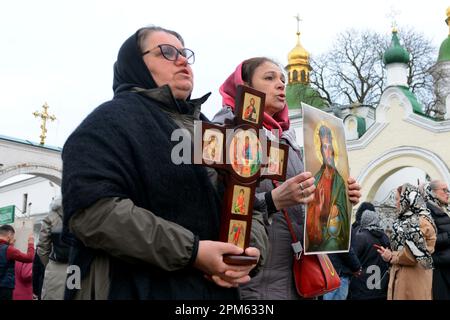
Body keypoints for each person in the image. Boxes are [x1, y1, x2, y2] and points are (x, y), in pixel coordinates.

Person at [61, 26, 266, 300]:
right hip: (133, 289)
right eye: (167, 52)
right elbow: (93, 213)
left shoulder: (212, 133)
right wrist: (193, 252)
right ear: (135, 65)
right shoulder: (108, 123)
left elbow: (247, 198)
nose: (182, 60)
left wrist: (246, 251)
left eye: (184, 53)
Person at [213, 57, 361, 300]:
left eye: (282, 79)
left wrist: (338, 199)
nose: (281, 84)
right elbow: (216, 203)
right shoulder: (229, 131)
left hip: (298, 277)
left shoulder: (287, 140)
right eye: (269, 78)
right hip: (253, 280)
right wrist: (271, 201)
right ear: (245, 85)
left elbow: (303, 206)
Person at [377, 183, 436, 300]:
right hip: (406, 278)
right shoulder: (407, 221)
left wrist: (391, 256)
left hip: (413, 281)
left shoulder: (420, 222)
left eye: (398, 199)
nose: (396, 203)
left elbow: (413, 255)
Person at [306, 125, 350, 252]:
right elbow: (308, 211)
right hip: (317, 234)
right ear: (320, 150)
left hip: (333, 235)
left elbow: (344, 216)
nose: (328, 152)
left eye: (330, 147)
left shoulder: (339, 181)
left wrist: (337, 210)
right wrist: (317, 209)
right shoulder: (315, 179)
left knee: (332, 245)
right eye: (324, 147)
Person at [348, 209, 390, 300]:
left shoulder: (361, 237)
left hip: (361, 289)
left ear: (364, 221)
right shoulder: (385, 237)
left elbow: (352, 259)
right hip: (381, 289)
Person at [37, 196, 70, 300]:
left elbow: (42, 247)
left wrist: (49, 264)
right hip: (78, 268)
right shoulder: (83, 212)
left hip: (55, 269)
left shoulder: (50, 216)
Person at [422, 180, 450, 300]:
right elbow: (425, 241)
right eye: (444, 190)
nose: (448, 193)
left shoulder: (444, 210)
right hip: (438, 268)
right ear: (432, 193)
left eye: (448, 190)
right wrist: (448, 237)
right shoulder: (427, 212)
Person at [0, 225, 34, 300]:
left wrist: (11, 244)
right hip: (5, 288)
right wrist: (31, 243)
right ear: (9, 235)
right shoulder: (9, 250)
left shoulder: (8, 249)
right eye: (13, 236)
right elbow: (30, 258)